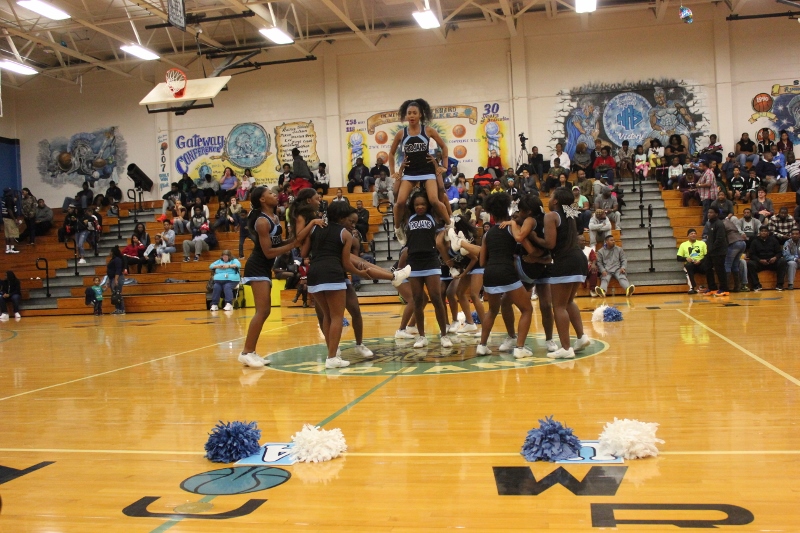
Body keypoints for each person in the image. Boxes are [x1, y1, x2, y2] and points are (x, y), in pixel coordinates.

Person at [301, 201, 372, 368]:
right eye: (349, 219)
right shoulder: (345, 234)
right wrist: (361, 273)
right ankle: (332, 358)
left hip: (314, 274)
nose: (352, 223)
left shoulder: (315, 229)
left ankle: (332, 353)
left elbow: (303, 253)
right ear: (341, 218)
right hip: (333, 273)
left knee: (327, 316)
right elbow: (346, 264)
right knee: (337, 317)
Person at [239, 187, 303, 368]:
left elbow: (278, 244)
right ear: (262, 199)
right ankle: (246, 352)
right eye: (270, 193)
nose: (275, 195)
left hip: (264, 268)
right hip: (257, 266)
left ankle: (251, 351)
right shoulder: (262, 221)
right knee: (262, 311)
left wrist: (295, 239)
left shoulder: (275, 218)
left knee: (265, 311)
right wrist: (293, 245)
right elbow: (268, 252)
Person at [469, 192, 533, 358]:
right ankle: (519, 348)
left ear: (491, 214)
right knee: (527, 309)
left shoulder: (487, 234)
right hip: (506, 272)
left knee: (492, 310)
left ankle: (482, 346)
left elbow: (482, 261)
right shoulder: (511, 226)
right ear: (507, 210)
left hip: (490, 273)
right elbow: (521, 241)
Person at [529, 187, 589, 359]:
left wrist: (533, 237)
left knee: (559, 306)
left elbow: (550, 244)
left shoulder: (551, 216)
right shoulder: (571, 213)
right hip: (579, 259)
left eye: (551, 196)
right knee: (569, 301)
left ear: (555, 201)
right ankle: (581, 337)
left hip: (565, 261)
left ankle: (566, 348)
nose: (549, 199)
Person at [389, 99, 452, 246]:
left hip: (427, 171)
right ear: (406, 115)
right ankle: (398, 229)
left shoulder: (427, 130)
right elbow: (391, 153)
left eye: (414, 113)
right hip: (410, 172)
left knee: (434, 200)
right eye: (409, 113)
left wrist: (444, 166)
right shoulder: (401, 133)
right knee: (400, 202)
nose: (411, 116)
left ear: (420, 115)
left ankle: (450, 225)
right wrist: (393, 172)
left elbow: (444, 147)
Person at [401, 189, 452, 349]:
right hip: (414, 262)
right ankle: (422, 336)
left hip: (430, 260)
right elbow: (399, 203)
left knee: (436, 298)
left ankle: (444, 335)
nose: (420, 207)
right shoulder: (408, 217)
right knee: (417, 300)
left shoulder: (433, 215)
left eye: (423, 204)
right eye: (417, 204)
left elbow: (441, 197)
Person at [747, 225, 788, 291]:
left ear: (768, 232)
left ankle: (779, 285)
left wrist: (775, 258)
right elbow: (751, 255)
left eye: (765, 231)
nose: (764, 232)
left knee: (782, 261)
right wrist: (759, 260)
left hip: (772, 262)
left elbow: (779, 252)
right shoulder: (754, 241)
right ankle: (756, 285)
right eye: (762, 231)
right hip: (760, 263)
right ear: (759, 233)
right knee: (750, 263)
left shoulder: (774, 240)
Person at [705, 207, 730, 296]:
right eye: (708, 212)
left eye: (711, 212)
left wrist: (712, 248)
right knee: (707, 268)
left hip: (719, 251)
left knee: (720, 270)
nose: (709, 214)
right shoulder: (710, 224)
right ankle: (712, 288)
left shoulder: (719, 224)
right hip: (711, 251)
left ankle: (724, 289)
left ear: (716, 214)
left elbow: (720, 239)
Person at [677, 228, 710, 294]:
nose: (693, 235)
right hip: (690, 264)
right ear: (688, 236)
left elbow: (707, 255)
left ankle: (711, 287)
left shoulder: (702, 243)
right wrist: (686, 258)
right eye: (691, 234)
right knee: (687, 266)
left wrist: (700, 261)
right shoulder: (683, 245)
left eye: (695, 233)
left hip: (701, 263)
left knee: (709, 266)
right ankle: (692, 288)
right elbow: (678, 258)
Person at [696, 160, 718, 225]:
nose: (699, 167)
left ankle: (705, 225)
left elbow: (708, 184)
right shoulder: (704, 173)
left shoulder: (709, 173)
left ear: (705, 166)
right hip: (704, 195)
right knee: (706, 211)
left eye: (700, 166)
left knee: (707, 211)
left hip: (709, 196)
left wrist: (699, 185)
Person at [107, 246, 126, 315]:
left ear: (113, 252)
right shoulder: (113, 259)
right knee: (114, 294)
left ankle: (122, 309)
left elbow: (118, 270)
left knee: (118, 294)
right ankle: (117, 309)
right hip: (112, 278)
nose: (109, 253)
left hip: (117, 278)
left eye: (110, 251)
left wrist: (116, 279)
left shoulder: (117, 259)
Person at [2, 188, 21, 254]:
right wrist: (14, 219)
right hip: (10, 219)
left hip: (5, 218)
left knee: (7, 234)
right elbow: (9, 209)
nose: (12, 192)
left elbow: (9, 204)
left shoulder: (4, 199)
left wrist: (15, 199)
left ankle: (7, 248)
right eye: (10, 191)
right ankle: (12, 248)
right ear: (8, 192)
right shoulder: (9, 199)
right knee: (12, 233)